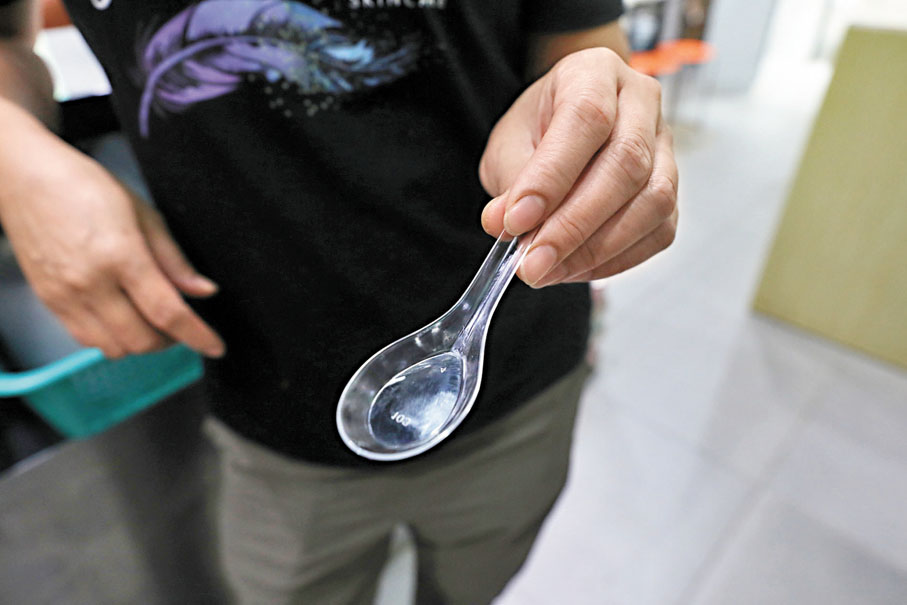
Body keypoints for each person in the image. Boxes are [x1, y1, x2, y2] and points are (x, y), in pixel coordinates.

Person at [0, 0, 678, 603]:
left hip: (521, 378)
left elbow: (580, 43)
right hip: (266, 408)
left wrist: (593, 115)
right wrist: (16, 158)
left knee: (473, 587)